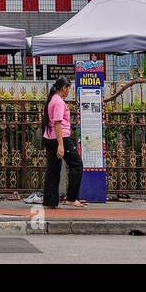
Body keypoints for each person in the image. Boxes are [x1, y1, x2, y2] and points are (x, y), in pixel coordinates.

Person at [41, 77, 83, 209]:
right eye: (68, 89)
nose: (68, 92)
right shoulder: (58, 101)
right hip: (61, 138)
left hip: (49, 138)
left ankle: (50, 201)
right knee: (77, 165)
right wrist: (61, 145)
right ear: (63, 88)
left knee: (53, 169)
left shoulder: (52, 99)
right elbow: (58, 123)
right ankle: (71, 198)